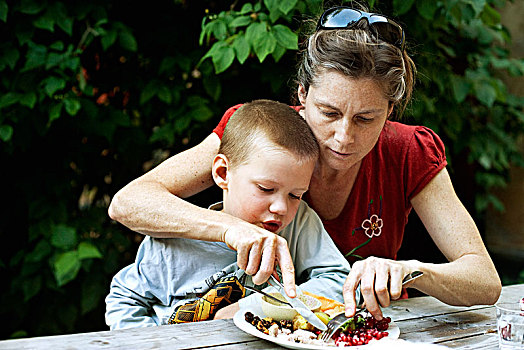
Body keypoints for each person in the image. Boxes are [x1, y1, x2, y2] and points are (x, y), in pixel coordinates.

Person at [108, 4, 501, 321]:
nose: (344, 137)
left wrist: (412, 271)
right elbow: (129, 202)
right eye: (329, 113)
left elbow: (484, 281)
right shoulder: (263, 134)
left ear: (390, 111)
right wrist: (233, 231)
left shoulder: (408, 151)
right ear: (302, 93)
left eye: (366, 118)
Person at [105, 99, 351, 329]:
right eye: (266, 189)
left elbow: (339, 280)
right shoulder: (174, 237)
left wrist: (251, 308)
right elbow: (125, 299)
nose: (281, 208)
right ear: (223, 173)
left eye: (295, 195)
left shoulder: (297, 224)